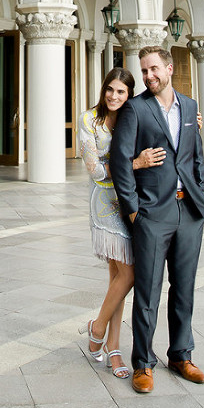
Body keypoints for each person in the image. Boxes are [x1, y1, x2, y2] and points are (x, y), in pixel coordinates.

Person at [109, 47, 204, 394]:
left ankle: (182, 355)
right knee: (148, 291)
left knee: (184, 289)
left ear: (169, 68)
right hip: (152, 214)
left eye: (153, 70)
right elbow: (121, 163)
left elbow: (195, 157)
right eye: (144, 71)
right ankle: (144, 364)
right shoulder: (135, 108)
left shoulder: (190, 107)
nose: (148, 76)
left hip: (188, 213)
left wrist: (202, 197)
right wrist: (134, 211)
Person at [77, 67, 151, 379]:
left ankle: (113, 345)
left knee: (117, 278)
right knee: (128, 273)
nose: (114, 96)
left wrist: (196, 125)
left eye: (121, 91)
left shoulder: (132, 118)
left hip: (129, 201)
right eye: (110, 89)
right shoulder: (89, 120)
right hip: (105, 204)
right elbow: (95, 170)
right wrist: (133, 163)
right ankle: (98, 329)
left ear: (129, 94)